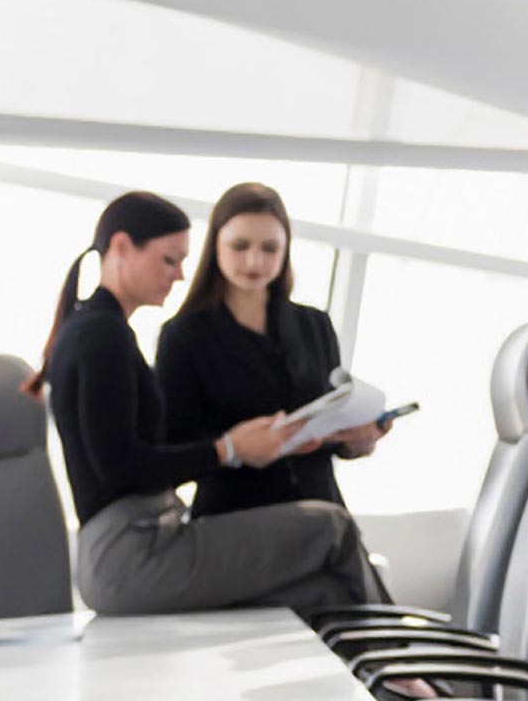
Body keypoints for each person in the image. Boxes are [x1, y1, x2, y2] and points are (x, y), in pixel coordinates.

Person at [27, 189, 372, 621]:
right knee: (332, 527)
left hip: (144, 538)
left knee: (322, 592)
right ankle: (406, 666)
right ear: (120, 247)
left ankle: (396, 677)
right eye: (169, 260)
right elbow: (121, 468)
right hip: (130, 551)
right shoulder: (103, 336)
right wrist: (229, 449)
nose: (178, 275)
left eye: (183, 261)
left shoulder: (101, 329)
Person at [152, 181, 389, 525]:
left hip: (320, 513)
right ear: (215, 244)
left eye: (269, 248)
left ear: (285, 251)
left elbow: (329, 423)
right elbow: (175, 450)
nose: (254, 260)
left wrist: (356, 441)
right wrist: (236, 447)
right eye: (240, 245)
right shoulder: (184, 336)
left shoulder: (315, 325)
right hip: (238, 522)